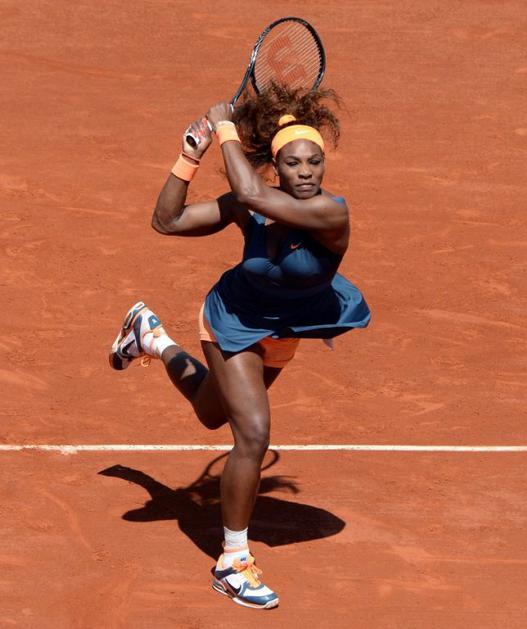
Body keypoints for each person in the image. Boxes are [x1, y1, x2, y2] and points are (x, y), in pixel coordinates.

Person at [109, 84, 370, 610]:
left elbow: (251, 193)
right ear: (277, 167)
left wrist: (223, 126)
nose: (306, 172)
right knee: (252, 433)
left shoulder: (331, 213)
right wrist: (190, 154)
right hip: (233, 319)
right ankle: (233, 563)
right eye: (293, 163)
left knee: (211, 412)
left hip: (288, 327)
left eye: (314, 162)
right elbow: (167, 221)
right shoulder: (250, 205)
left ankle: (150, 337)